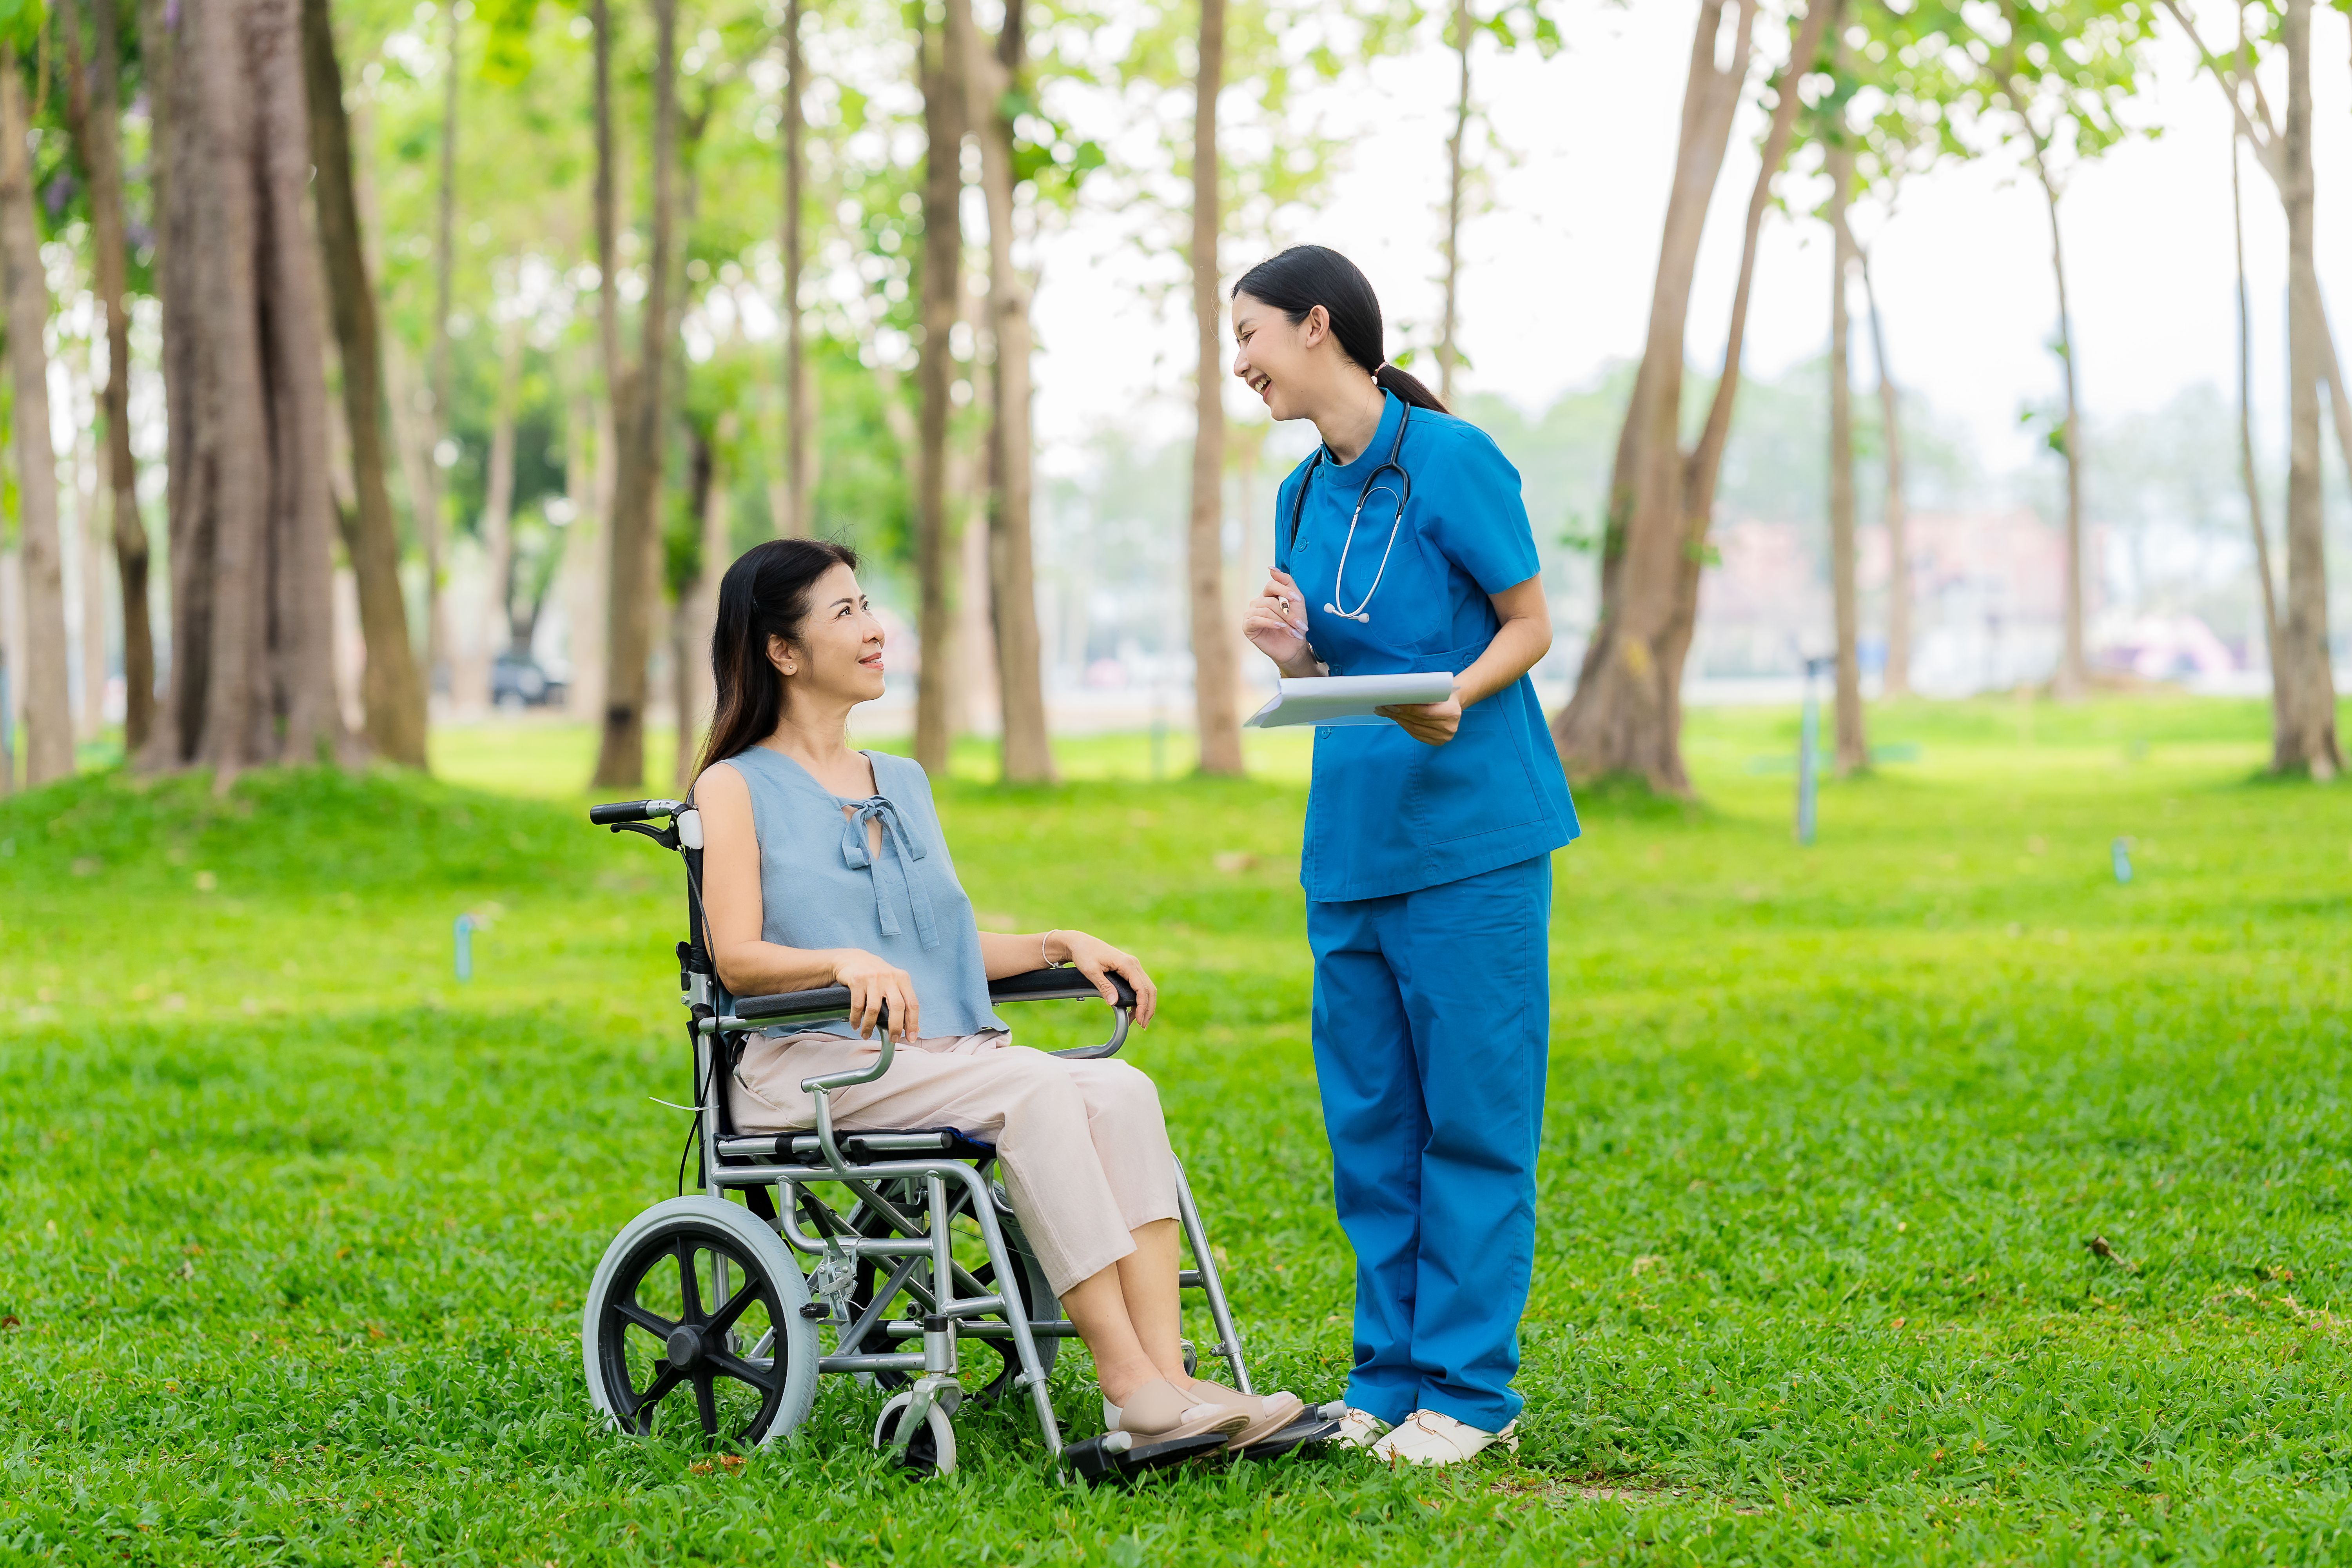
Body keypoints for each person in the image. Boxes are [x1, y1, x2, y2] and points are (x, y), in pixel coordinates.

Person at [692, 538, 1301, 1452]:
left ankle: (1175, 1382)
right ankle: (1128, 1383)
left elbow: (935, 945)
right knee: (1037, 1088)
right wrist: (839, 962)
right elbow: (736, 957)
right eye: (845, 612)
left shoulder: (900, 781)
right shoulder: (734, 785)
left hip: (941, 1056)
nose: (875, 628)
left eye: (869, 605)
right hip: (814, 1065)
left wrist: (1063, 941)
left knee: (1124, 1090)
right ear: (781, 650)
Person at [1234, 245, 1579, 1466]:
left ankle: (1472, 1396)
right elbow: (1337, 673)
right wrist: (1294, 664)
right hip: (1352, 848)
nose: (1242, 364)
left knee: (1473, 1122)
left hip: (1473, 842)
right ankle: (1383, 1380)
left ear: (1317, 326)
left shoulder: (1454, 459)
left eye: (1253, 336)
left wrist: (1458, 697)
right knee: (1373, 1129)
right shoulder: (1295, 494)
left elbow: (1530, 622)